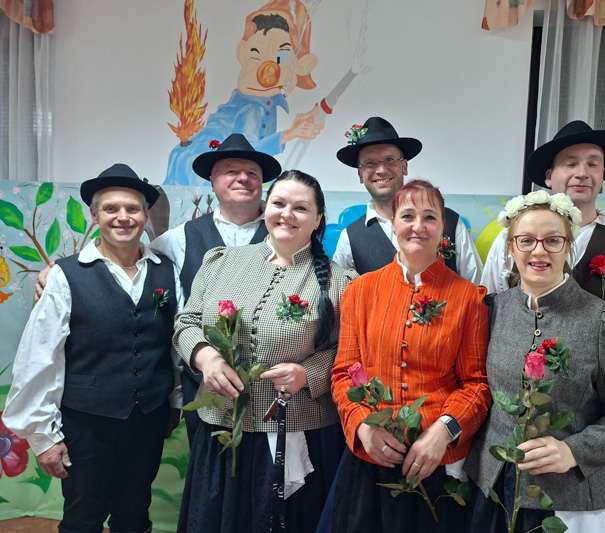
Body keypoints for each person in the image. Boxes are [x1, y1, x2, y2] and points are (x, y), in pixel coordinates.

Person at [36, 132, 282, 447]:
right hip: (204, 390)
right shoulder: (177, 240)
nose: (242, 178)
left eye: (252, 173)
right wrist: (59, 272)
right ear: (212, 180)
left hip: (270, 386)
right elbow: (125, 257)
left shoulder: (288, 234)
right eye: (231, 171)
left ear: (262, 182)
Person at [481, 120, 605, 498]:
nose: (582, 172)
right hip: (512, 441)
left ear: (603, 175)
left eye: (593, 163)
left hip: (594, 442)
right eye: (570, 163)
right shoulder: (509, 240)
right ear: (549, 176)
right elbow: (487, 326)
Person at [174, 170, 356, 532]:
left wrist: (308, 374)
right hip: (222, 424)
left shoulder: (341, 283)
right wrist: (205, 357)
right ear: (265, 208)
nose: (287, 214)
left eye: (300, 208)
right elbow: (187, 321)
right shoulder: (221, 262)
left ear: (318, 219)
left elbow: (349, 352)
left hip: (297, 430)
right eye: (279, 203)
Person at [3, 164, 182, 533]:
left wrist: (174, 403)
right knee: (83, 517)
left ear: (145, 215)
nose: (123, 217)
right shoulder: (65, 276)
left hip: (147, 419)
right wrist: (43, 438)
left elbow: (175, 345)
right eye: (111, 208)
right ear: (94, 215)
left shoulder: (168, 271)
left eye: (132, 209)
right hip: (85, 423)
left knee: (135, 513)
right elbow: (38, 358)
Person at [465, 191, 605, 532]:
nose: (539, 251)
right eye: (526, 240)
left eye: (552, 240)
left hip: (572, 499)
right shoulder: (491, 311)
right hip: (494, 492)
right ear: (510, 248)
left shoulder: (603, 320)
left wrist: (574, 451)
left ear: (567, 247)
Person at [329, 179, 491, 531]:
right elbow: (343, 373)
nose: (418, 226)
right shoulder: (359, 291)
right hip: (370, 457)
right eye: (408, 216)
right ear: (393, 223)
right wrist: (362, 426)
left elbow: (477, 384)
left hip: (438, 461)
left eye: (430, 217)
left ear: (443, 227)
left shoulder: (469, 298)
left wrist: (444, 431)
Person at [165, 0, 323, 186]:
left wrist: (294, 129)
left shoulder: (267, 103)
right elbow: (249, 150)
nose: (267, 71)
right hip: (195, 171)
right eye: (256, 54)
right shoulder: (252, 107)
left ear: (302, 65)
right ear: (243, 53)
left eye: (281, 56)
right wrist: (291, 133)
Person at [333, 117, 483, 284]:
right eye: (370, 163)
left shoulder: (451, 222)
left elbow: (477, 288)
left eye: (389, 160)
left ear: (404, 166)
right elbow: (340, 294)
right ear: (360, 174)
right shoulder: (350, 238)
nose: (381, 170)